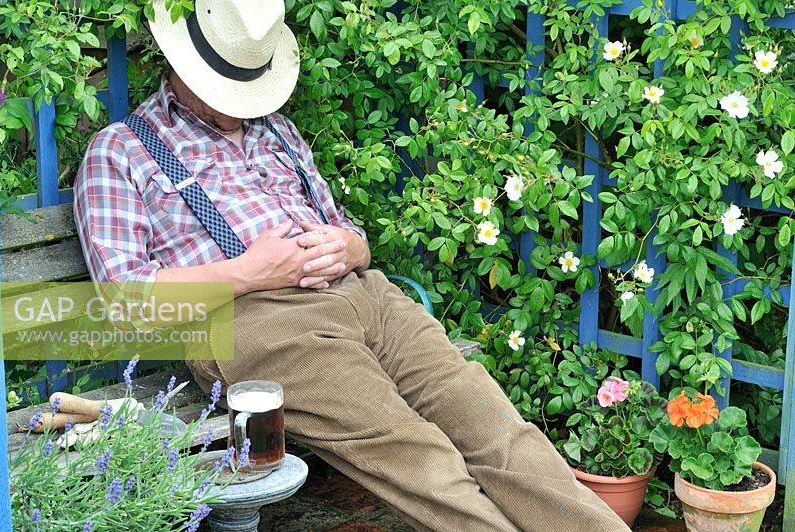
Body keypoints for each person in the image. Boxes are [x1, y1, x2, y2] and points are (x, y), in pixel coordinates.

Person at [73, 1, 628, 530]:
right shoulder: (121, 151)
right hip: (258, 322)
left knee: (501, 434)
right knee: (421, 460)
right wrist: (250, 272)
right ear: (181, 65)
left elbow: (347, 227)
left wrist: (351, 247)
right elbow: (124, 300)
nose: (244, 100)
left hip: (368, 296)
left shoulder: (278, 131)